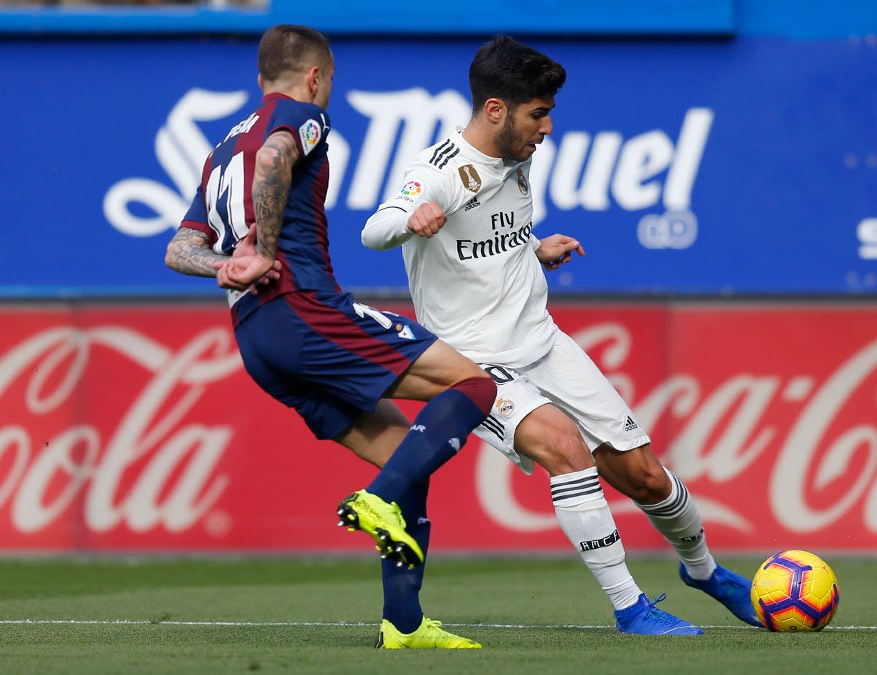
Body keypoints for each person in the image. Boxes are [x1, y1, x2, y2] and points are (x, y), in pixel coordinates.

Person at [361, 35, 762, 635]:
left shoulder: (516, 156)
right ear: (495, 109)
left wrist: (532, 249)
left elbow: (491, 238)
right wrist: (409, 220)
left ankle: (703, 572)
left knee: (645, 476)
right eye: (538, 114)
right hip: (474, 366)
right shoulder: (438, 171)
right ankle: (630, 608)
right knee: (566, 450)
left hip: (543, 342)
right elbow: (375, 228)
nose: (547, 128)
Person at [164, 24, 496, 649]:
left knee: (408, 454)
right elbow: (274, 159)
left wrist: (225, 266)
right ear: (315, 77)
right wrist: (262, 250)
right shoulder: (299, 116)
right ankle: (379, 498)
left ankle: (404, 624)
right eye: (331, 82)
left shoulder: (218, 151)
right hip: (303, 309)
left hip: (255, 337)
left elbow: (180, 248)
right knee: (475, 383)